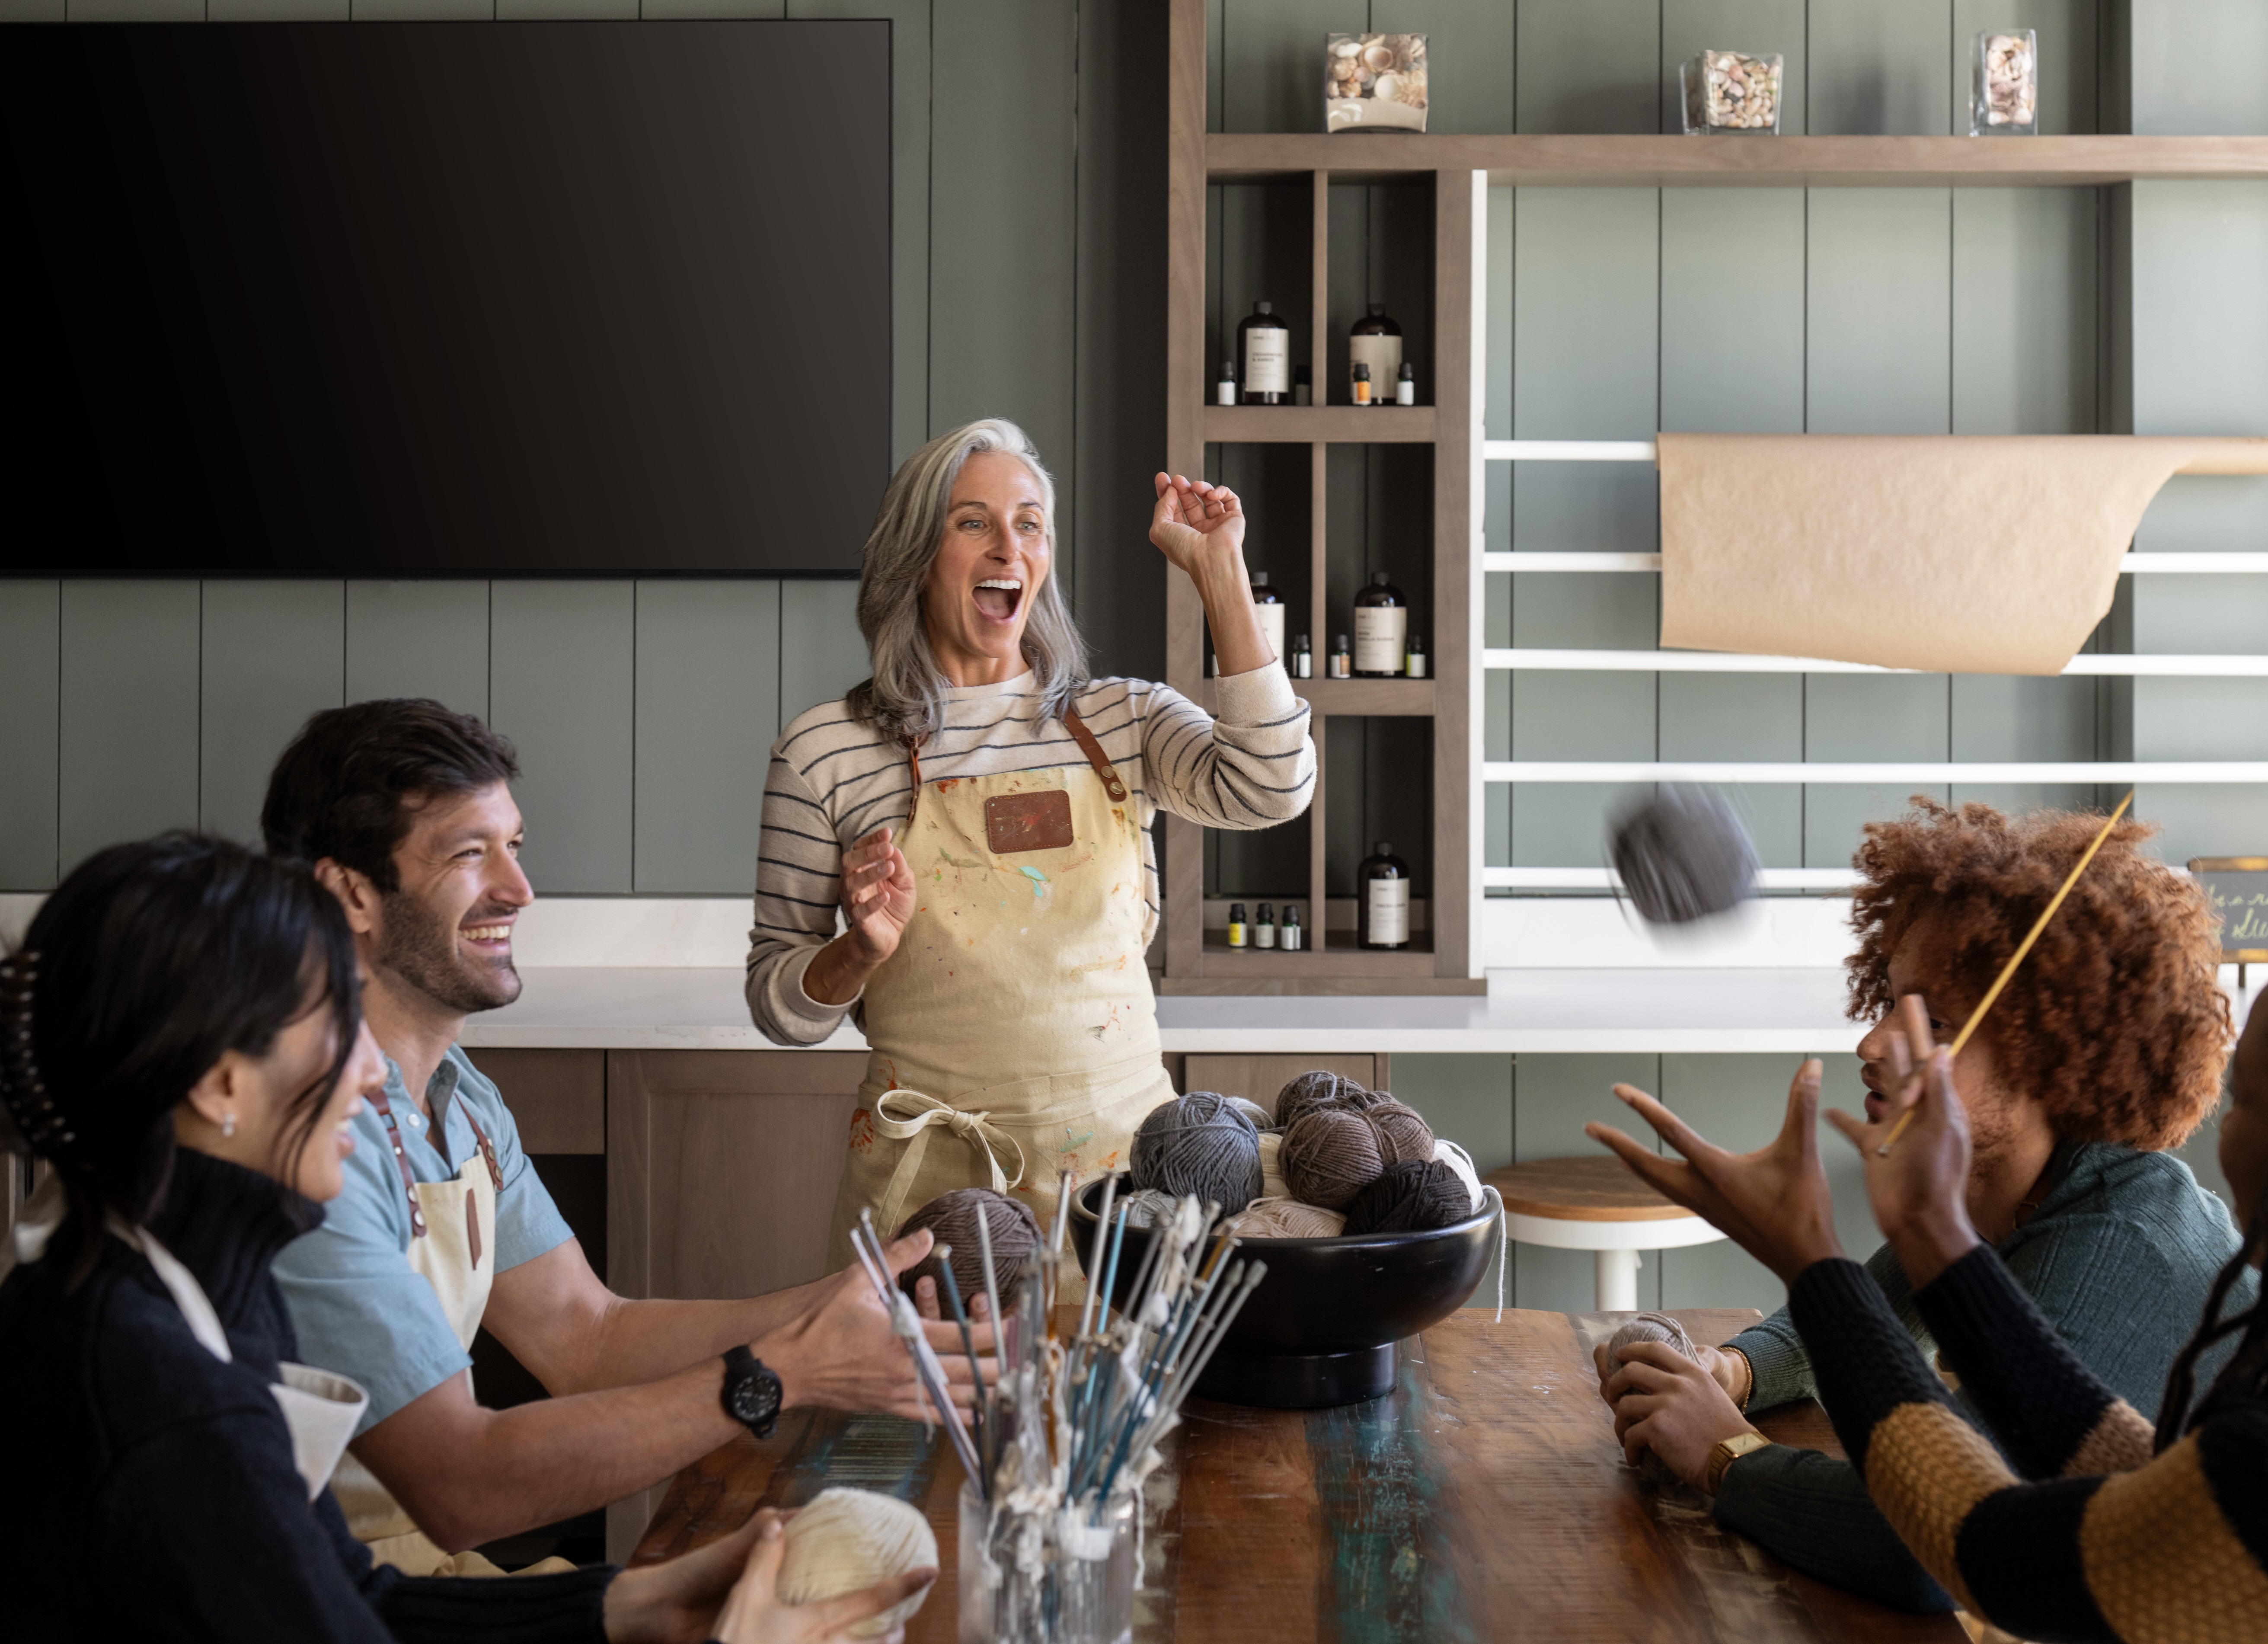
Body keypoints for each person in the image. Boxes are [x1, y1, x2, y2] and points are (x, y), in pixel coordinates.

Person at [0, 833, 932, 1643]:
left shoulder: (181, 1293)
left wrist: (626, 1605)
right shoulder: (167, 1404)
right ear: (218, 1087)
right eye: (336, 1025)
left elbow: (353, 1601)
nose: (373, 1074)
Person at [261, 700, 984, 1574]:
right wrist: (785, 1370)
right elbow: (460, 1487)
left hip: (416, 1573)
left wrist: (861, 1298)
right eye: (467, 852)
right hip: (309, 1581)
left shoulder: (465, 1100)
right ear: (351, 894)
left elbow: (586, 1335)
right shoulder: (302, 1133)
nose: (520, 889)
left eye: (514, 846)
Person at [1597, 895, 2268, 1641]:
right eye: (1889, 1003)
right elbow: (2141, 1470)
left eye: (2244, 1103)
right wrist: (1919, 1235)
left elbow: (1992, 1554)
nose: (1875, 1043)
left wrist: (1798, 1289)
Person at [1598, 800, 2242, 1610]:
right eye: (1887, 1003)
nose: (1871, 1045)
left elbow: (1936, 1549)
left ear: (2051, 1051)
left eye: (1932, 1023)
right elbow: (1861, 1317)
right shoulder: (2003, 1189)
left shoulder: (2121, 1246)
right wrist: (1723, 1369)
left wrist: (1725, 1453)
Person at [746, 419, 1313, 1256]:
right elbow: (777, 1006)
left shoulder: (1119, 720)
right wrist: (855, 953)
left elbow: (1272, 783)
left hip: (1124, 1199)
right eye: (971, 521)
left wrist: (1217, 568)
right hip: (931, 1210)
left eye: (1029, 523)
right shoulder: (826, 750)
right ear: (915, 552)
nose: (1006, 545)